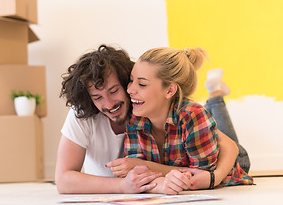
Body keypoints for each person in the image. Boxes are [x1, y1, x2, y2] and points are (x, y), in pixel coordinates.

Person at [55, 45, 240, 194]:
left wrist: (214, 177)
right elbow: (63, 180)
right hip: (182, 160)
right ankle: (215, 94)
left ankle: (215, 94)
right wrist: (129, 185)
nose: (109, 104)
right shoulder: (129, 115)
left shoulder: (141, 106)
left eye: (114, 91)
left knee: (203, 116)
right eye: (97, 97)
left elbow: (229, 146)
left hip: (221, 160)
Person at [115, 47, 253, 194]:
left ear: (169, 90)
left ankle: (215, 94)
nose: (130, 90)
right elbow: (137, 174)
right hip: (201, 137)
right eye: (131, 81)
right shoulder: (135, 118)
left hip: (229, 161)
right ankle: (214, 94)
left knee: (206, 120)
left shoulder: (193, 115)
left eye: (142, 84)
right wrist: (139, 167)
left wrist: (144, 165)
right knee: (204, 120)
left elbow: (199, 176)